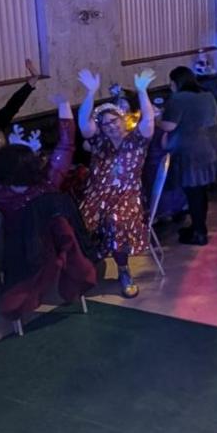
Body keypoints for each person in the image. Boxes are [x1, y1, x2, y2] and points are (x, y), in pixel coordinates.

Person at [0, 95, 96, 321]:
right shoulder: (49, 183)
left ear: (0, 168)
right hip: (56, 250)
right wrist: (64, 105)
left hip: (20, 260)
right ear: (35, 165)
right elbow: (66, 147)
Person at [78, 68, 156, 299]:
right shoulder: (99, 140)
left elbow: (149, 120)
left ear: (123, 120)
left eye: (114, 121)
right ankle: (85, 269)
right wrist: (90, 93)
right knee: (80, 220)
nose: (110, 126)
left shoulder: (137, 140)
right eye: (105, 124)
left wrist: (142, 91)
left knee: (117, 220)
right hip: (96, 194)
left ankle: (124, 271)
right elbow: (84, 124)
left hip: (127, 195)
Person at [160, 66, 217, 246]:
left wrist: (157, 118)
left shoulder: (178, 98)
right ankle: (198, 227)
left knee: (193, 192)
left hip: (191, 151)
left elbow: (168, 126)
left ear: (175, 82)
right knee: (200, 192)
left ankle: (199, 233)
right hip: (211, 147)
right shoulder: (207, 95)